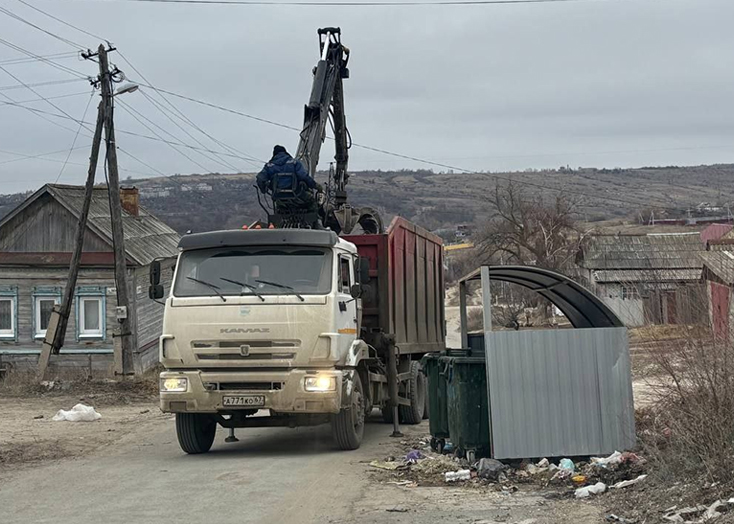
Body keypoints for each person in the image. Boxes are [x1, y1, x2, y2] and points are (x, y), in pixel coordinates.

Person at [256, 145, 322, 210]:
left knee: (280, 208)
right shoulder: (294, 163)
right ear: (285, 152)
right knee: (311, 201)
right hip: (297, 193)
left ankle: (281, 216)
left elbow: (260, 178)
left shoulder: (269, 166)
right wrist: (315, 185)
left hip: (279, 196)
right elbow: (303, 176)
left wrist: (264, 189)